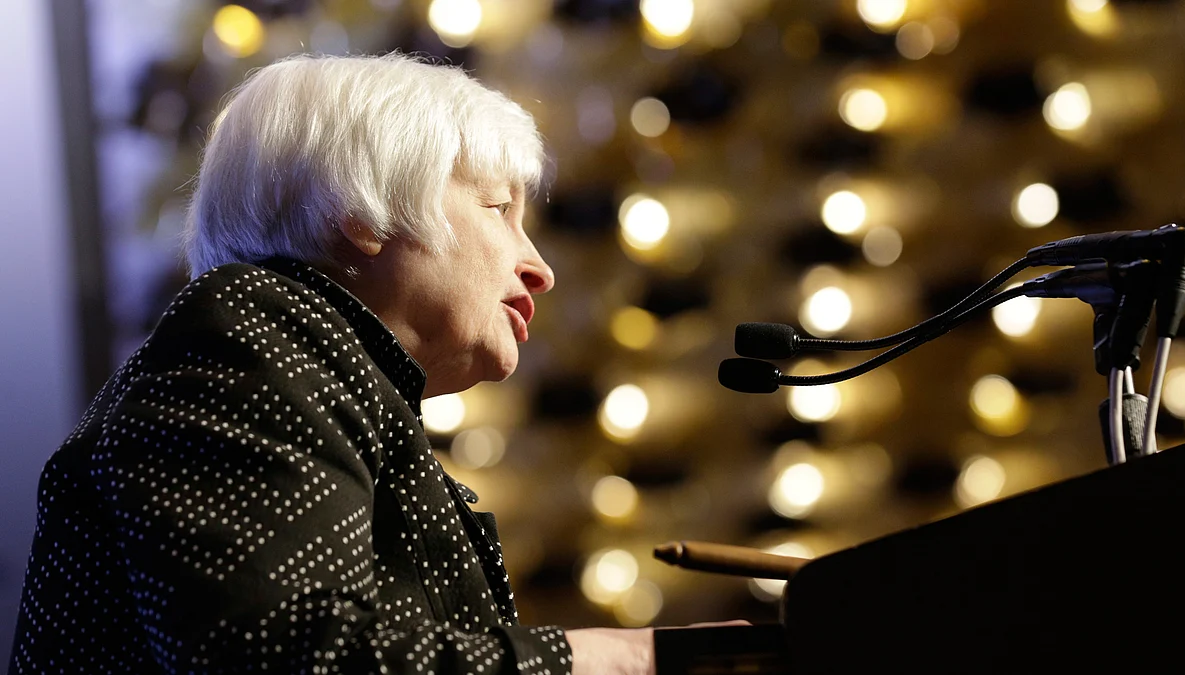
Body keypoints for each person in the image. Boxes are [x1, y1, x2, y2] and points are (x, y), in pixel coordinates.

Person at [8, 53, 695, 675]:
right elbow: (283, 656)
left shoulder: (308, 369)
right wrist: (622, 657)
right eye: (496, 208)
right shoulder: (247, 334)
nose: (539, 268)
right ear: (361, 214)